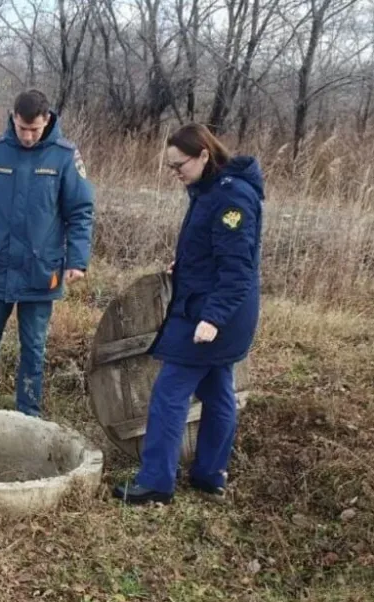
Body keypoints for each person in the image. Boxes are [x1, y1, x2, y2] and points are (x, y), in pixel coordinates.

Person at [114, 123, 264, 505]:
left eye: (179, 165)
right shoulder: (210, 189)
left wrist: (212, 319)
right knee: (217, 390)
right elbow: (212, 248)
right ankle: (209, 475)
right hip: (214, 306)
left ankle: (156, 483)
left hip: (212, 313)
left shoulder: (231, 198)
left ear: (203, 155)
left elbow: (237, 270)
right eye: (171, 167)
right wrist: (184, 265)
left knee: (169, 393)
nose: (175, 173)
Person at [0, 89, 95, 417]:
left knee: (33, 348)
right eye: (22, 128)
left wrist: (77, 260)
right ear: (13, 119)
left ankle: (28, 416)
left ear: (47, 120)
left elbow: (80, 212)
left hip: (40, 272)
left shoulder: (64, 156)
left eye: (34, 129)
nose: (28, 136)